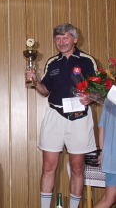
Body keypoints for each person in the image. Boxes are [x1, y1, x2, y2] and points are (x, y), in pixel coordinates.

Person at [25, 23, 97, 208]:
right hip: (55, 115)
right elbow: (44, 91)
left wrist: (91, 97)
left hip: (79, 117)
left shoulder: (87, 60)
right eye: (58, 39)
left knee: (77, 167)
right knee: (48, 167)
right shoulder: (52, 62)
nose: (61, 42)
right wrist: (34, 81)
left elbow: (99, 90)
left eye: (65, 38)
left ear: (75, 38)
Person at [94, 97, 116, 207]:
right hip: (112, 155)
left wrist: (103, 152)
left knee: (109, 198)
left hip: (111, 155)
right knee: (109, 198)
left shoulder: (111, 96)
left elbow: (101, 126)